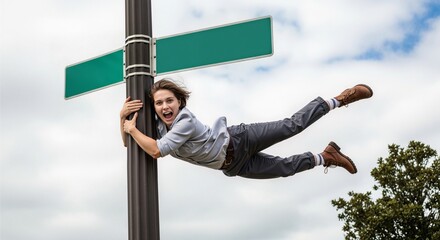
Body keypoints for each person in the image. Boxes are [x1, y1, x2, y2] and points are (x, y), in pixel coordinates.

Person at [120, 78, 373, 179]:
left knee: (291, 127)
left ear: (179, 102)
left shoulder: (184, 120)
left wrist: (131, 129)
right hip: (233, 166)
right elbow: (129, 145)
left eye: (170, 101)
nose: (165, 106)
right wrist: (122, 119)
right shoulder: (156, 129)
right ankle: (326, 157)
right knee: (285, 169)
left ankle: (340, 99)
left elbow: (154, 151)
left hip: (239, 139)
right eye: (159, 103)